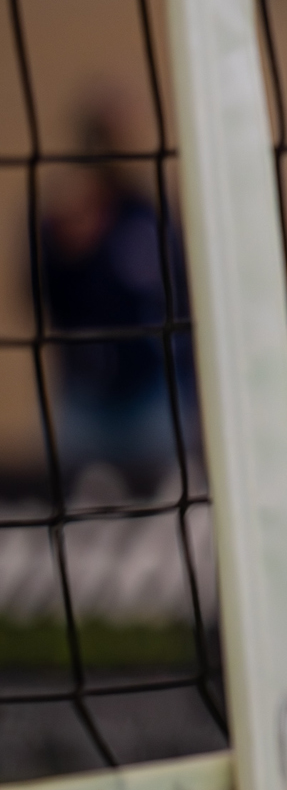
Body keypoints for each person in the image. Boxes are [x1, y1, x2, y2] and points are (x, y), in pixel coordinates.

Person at [34, 90, 192, 499]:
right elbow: (40, 299)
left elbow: (180, 298)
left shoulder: (145, 215)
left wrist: (186, 382)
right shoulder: (63, 219)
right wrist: (67, 250)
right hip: (87, 401)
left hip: (150, 397)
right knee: (85, 520)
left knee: (170, 510)